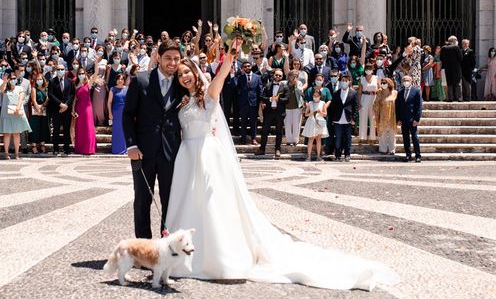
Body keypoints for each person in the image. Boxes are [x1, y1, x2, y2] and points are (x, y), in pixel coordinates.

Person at [165, 37, 399, 289]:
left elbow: (221, 75)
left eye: (188, 71)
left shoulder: (210, 94)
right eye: (180, 75)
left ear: (196, 73)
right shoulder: (181, 102)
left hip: (208, 155)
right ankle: (180, 254)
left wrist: (231, 54)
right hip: (186, 156)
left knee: (211, 204)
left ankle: (216, 256)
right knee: (188, 201)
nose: (185, 77)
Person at [123, 39, 184, 239]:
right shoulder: (141, 80)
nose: (173, 63)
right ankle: (143, 246)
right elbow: (128, 114)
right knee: (142, 199)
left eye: (176, 59)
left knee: (170, 200)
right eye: (168, 58)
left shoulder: (182, 83)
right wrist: (131, 144)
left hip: (172, 152)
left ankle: (167, 245)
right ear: (158, 57)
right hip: (142, 150)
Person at [0, 69, 31, 159]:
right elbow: (1, 89)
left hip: (17, 112)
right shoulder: (5, 88)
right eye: (11, 78)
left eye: (14, 78)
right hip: (6, 114)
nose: (13, 80)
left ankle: (17, 153)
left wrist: (17, 108)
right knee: (7, 134)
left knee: (16, 133)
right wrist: (4, 82)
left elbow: (21, 98)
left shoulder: (20, 88)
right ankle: (6, 153)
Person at [256, 68, 288, 158]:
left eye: (280, 75)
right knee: (264, 131)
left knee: (279, 131)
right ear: (274, 75)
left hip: (279, 112)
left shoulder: (285, 87)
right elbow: (262, 97)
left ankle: (277, 149)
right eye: (276, 75)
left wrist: (279, 99)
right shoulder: (268, 85)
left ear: (282, 77)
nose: (278, 76)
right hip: (269, 112)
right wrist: (270, 99)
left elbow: (287, 99)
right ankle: (262, 148)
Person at [328, 74, 358, 162]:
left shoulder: (353, 93)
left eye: (346, 81)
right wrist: (333, 118)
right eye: (342, 80)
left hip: (348, 119)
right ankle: (337, 154)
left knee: (348, 137)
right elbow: (332, 107)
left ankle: (347, 154)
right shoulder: (336, 93)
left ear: (349, 82)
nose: (344, 82)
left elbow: (355, 107)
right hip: (338, 119)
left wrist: (354, 119)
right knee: (338, 137)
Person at [48, 63, 76, 156]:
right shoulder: (52, 81)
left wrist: (66, 105)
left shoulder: (70, 81)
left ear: (65, 70)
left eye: (62, 69)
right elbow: (50, 95)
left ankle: (66, 148)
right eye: (58, 69)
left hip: (67, 110)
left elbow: (72, 94)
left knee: (66, 129)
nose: (60, 71)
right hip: (56, 109)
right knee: (56, 130)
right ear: (56, 71)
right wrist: (60, 104)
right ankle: (55, 149)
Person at [396, 75, 423, 162]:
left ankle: (418, 155)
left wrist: (417, 119)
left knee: (415, 137)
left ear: (411, 81)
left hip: (412, 119)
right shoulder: (400, 92)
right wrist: (398, 119)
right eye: (404, 80)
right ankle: (408, 154)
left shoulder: (416, 91)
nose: (406, 82)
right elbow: (398, 106)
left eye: (407, 80)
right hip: (403, 119)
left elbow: (419, 106)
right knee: (405, 137)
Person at [236, 61, 262, 145]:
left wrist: (260, 101)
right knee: (243, 122)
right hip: (243, 103)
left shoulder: (257, 77)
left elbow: (260, 90)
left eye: (248, 66)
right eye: (245, 66)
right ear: (243, 68)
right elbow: (237, 90)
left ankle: (253, 138)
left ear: (251, 66)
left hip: (253, 103)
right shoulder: (240, 78)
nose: (247, 68)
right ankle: (243, 138)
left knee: (253, 122)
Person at [73, 67, 97, 155]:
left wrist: (96, 63)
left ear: (85, 74)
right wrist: (73, 110)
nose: (81, 75)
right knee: (80, 127)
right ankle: (80, 148)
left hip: (87, 108)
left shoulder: (88, 84)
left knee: (88, 126)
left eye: (83, 73)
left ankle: (89, 148)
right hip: (79, 108)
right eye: (79, 73)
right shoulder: (75, 85)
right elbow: (74, 99)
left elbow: (95, 74)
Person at [302, 89, 329, 161]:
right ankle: (309, 156)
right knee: (311, 139)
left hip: (319, 121)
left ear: (320, 96)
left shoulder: (323, 103)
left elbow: (325, 114)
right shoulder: (310, 103)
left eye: (317, 96)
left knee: (318, 139)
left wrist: (320, 112)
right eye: (314, 95)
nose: (316, 97)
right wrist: (310, 113)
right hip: (312, 121)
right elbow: (306, 114)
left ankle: (318, 156)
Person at [374, 78, 398, 155]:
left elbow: (398, 105)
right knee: (382, 133)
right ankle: (383, 149)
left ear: (389, 83)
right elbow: (375, 104)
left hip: (392, 115)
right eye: (382, 83)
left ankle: (392, 149)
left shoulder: (395, 93)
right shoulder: (379, 93)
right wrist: (376, 115)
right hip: (382, 115)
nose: (383, 84)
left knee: (392, 133)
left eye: (385, 83)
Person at [29, 72, 50, 154]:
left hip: (44, 110)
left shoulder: (46, 88)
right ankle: (34, 146)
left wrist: (43, 107)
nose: (39, 80)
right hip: (35, 110)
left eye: (40, 79)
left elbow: (48, 98)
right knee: (34, 128)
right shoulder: (34, 88)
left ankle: (42, 145)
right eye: (37, 79)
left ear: (43, 80)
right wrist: (38, 108)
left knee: (43, 128)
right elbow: (33, 100)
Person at [108, 73, 128, 155]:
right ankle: (116, 149)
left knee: (125, 130)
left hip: (125, 111)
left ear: (124, 80)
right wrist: (110, 113)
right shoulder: (113, 89)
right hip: (116, 111)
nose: (120, 81)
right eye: (119, 79)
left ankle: (125, 149)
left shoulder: (127, 88)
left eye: (122, 79)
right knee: (117, 130)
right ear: (116, 80)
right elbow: (109, 102)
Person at [358, 63, 378, 143]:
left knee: (373, 118)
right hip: (364, 97)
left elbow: (379, 89)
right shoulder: (362, 78)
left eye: (370, 68)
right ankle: (362, 137)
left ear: (373, 69)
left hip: (374, 98)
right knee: (363, 117)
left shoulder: (376, 78)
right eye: (367, 68)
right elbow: (359, 91)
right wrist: (359, 102)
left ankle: (372, 137)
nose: (368, 70)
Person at [284, 70, 304, 146]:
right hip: (287, 106)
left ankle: (295, 140)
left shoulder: (299, 83)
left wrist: (295, 85)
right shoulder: (285, 83)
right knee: (287, 124)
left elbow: (301, 93)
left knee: (296, 124)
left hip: (296, 106)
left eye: (295, 76)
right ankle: (289, 140)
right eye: (292, 75)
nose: (293, 77)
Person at [440, 36, 463, 102]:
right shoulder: (456, 47)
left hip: (447, 68)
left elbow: (441, 58)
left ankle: (450, 98)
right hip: (456, 68)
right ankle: (459, 98)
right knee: (457, 83)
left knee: (449, 83)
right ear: (454, 40)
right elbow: (460, 58)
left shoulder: (443, 48)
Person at [91, 55, 108, 126]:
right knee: (95, 102)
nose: (100, 52)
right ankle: (94, 120)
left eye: (101, 50)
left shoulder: (105, 61)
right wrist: (94, 80)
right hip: (95, 83)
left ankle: (101, 121)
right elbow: (90, 72)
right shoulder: (92, 60)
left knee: (101, 102)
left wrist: (105, 81)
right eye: (98, 50)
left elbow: (107, 72)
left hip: (102, 84)